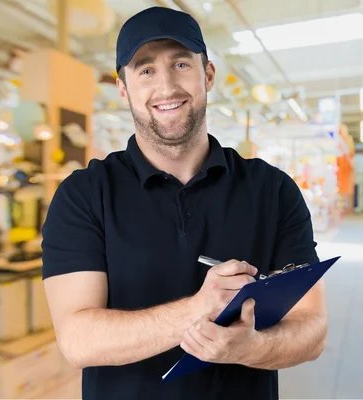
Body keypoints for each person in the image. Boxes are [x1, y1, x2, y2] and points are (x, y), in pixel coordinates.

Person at [41, 6, 327, 400]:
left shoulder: (273, 190)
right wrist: (198, 309)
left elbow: (311, 329)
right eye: (145, 70)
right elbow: (77, 340)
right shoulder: (84, 195)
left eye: (180, 63)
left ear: (207, 74)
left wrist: (253, 349)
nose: (166, 86)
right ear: (123, 89)